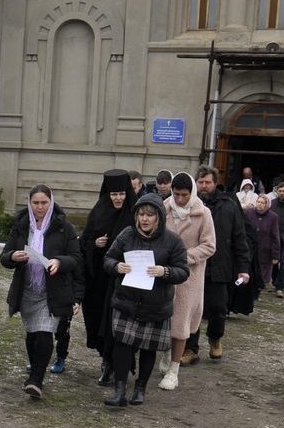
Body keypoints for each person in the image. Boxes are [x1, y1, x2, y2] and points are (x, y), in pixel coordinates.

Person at [101, 194, 189, 407]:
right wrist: (116, 267)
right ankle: (120, 390)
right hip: (126, 301)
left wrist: (165, 271)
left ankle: (140, 388)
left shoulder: (172, 240)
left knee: (148, 348)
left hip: (156, 305)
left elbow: (183, 271)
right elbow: (108, 259)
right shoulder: (127, 235)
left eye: (150, 215)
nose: (145, 219)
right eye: (141, 214)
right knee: (121, 345)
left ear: (159, 217)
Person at [0, 184, 83, 399]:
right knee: (32, 333)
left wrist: (58, 261)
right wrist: (13, 257)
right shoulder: (21, 225)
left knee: (45, 332)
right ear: (29, 203)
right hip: (27, 288)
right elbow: (4, 256)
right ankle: (35, 368)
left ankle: (36, 380)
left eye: (44, 203)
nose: (39, 207)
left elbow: (76, 257)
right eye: (35, 203)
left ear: (51, 202)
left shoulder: (64, 227)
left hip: (51, 290)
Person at [184, 167, 251, 364]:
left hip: (220, 266)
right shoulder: (189, 205)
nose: (204, 186)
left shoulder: (228, 205)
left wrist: (243, 267)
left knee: (218, 308)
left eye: (208, 182)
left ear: (215, 183)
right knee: (191, 308)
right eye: (201, 182)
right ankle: (190, 348)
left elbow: (240, 237)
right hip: (194, 265)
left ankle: (215, 339)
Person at [158, 172, 215, 391]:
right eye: (176, 194)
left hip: (189, 278)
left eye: (184, 195)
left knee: (181, 324)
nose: (179, 199)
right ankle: (165, 352)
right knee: (163, 318)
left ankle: (174, 369)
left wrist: (184, 256)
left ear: (191, 193)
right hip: (164, 273)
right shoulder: (164, 208)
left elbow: (209, 246)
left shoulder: (203, 213)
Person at [80, 170, 137, 385]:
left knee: (118, 324)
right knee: (98, 322)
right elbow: (84, 240)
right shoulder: (99, 211)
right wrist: (95, 244)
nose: (118, 198)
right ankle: (105, 360)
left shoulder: (134, 213)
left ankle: (116, 364)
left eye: (121, 193)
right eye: (113, 194)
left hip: (124, 279)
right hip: (100, 280)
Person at [244, 194, 281, 289]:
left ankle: (259, 287)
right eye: (258, 202)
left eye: (262, 203)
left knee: (263, 271)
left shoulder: (273, 217)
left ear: (267, 204)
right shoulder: (248, 212)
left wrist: (275, 255)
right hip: (250, 247)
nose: (260, 204)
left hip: (265, 249)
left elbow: (275, 236)